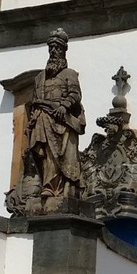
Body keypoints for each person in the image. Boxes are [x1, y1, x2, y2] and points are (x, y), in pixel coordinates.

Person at [26, 29, 86, 199]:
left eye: (57, 48)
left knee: (61, 155)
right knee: (44, 153)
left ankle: (59, 187)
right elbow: (35, 100)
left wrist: (64, 106)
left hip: (63, 122)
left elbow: (75, 94)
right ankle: (48, 185)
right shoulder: (39, 78)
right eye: (51, 47)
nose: (53, 51)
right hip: (43, 119)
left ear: (63, 51)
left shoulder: (70, 74)